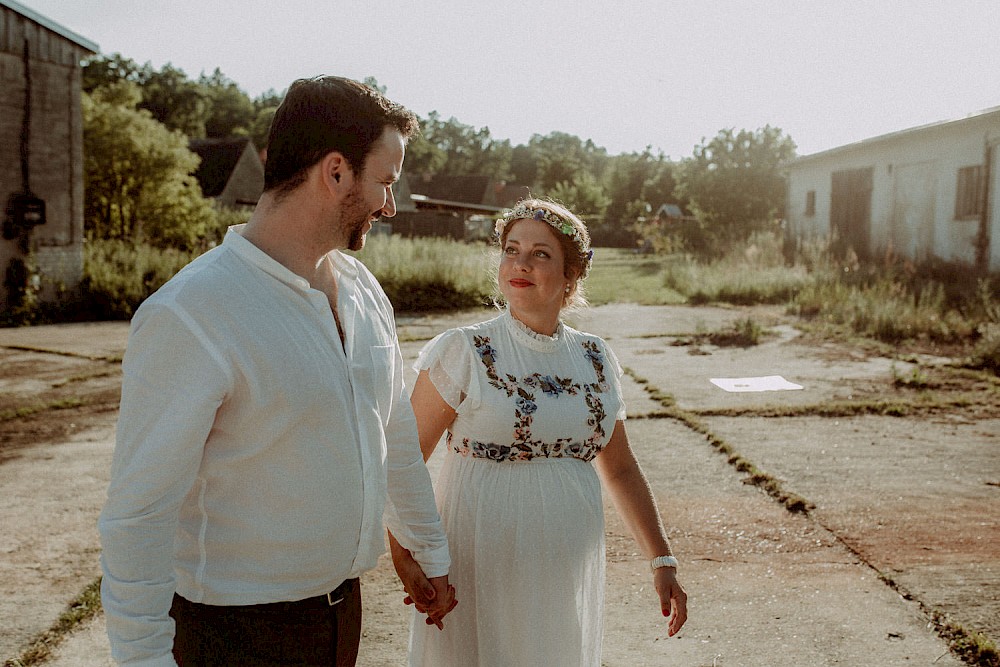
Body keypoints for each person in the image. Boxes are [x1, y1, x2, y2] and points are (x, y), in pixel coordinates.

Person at [98, 76, 456, 666]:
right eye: (386, 183)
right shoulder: (190, 313)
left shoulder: (365, 291)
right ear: (336, 172)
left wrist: (431, 553)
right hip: (236, 635)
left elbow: (392, 434)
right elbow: (138, 515)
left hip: (344, 616)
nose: (390, 206)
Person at [390, 198, 688, 666]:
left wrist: (662, 559)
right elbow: (402, 460)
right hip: (478, 558)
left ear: (571, 275)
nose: (520, 263)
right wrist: (406, 554)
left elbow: (622, 467)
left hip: (564, 559)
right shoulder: (464, 351)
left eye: (540, 253)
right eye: (512, 249)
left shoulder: (595, 358)